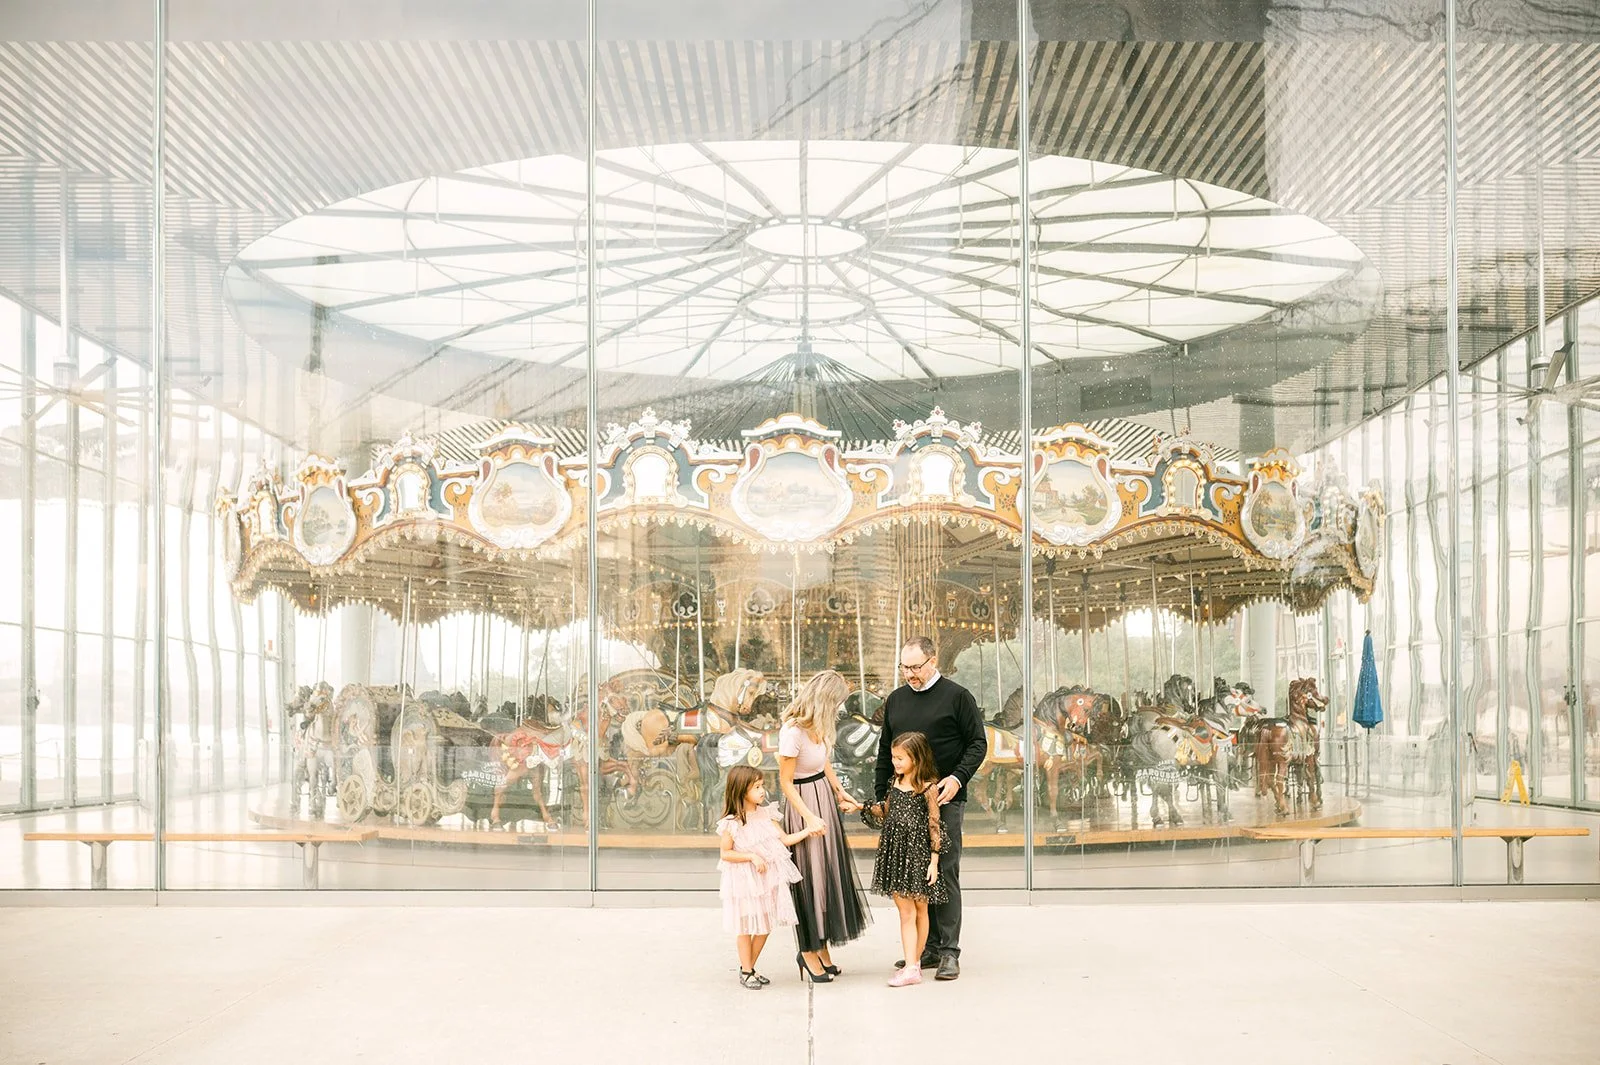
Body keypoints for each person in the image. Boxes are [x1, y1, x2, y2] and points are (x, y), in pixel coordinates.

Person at [873, 636, 986, 981]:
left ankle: (950, 951)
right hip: (905, 800)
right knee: (918, 873)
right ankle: (928, 947)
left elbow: (977, 743)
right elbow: (883, 752)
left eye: (916, 667)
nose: (910, 674)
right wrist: (881, 795)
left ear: (933, 661)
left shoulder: (958, 697)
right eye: (904, 667)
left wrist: (958, 778)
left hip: (944, 798)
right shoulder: (896, 700)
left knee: (945, 870)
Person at [778, 670, 872, 983]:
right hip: (804, 803)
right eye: (836, 703)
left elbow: (823, 761)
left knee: (828, 873)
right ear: (824, 700)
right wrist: (808, 817)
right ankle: (807, 949)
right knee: (810, 877)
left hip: (823, 800)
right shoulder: (792, 732)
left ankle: (821, 945)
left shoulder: (819, 726)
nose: (838, 709)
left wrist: (838, 790)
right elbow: (786, 783)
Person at [716, 764, 821, 990]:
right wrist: (751, 856)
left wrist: (807, 831)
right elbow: (726, 853)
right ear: (741, 789)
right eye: (756, 787)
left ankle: (748, 969)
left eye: (762, 785)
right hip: (744, 881)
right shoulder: (731, 822)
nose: (762, 791)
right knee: (745, 926)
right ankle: (747, 970)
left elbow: (782, 839)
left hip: (766, 880)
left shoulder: (767, 814)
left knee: (764, 926)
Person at [865, 731, 948, 987]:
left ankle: (913, 965)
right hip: (896, 853)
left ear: (917, 758)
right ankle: (913, 964)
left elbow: (934, 824)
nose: (896, 762)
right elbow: (886, 811)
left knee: (920, 910)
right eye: (893, 757)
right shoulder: (894, 783)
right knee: (907, 912)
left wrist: (934, 861)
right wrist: (860, 807)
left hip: (919, 855)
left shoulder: (928, 788)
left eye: (901, 758)